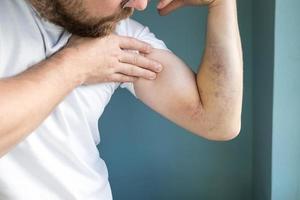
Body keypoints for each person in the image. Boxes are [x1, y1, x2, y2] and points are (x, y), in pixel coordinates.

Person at [0, 0, 243, 199]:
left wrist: (221, 4)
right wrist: (75, 66)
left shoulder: (114, 33)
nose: (140, 4)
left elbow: (216, 120)